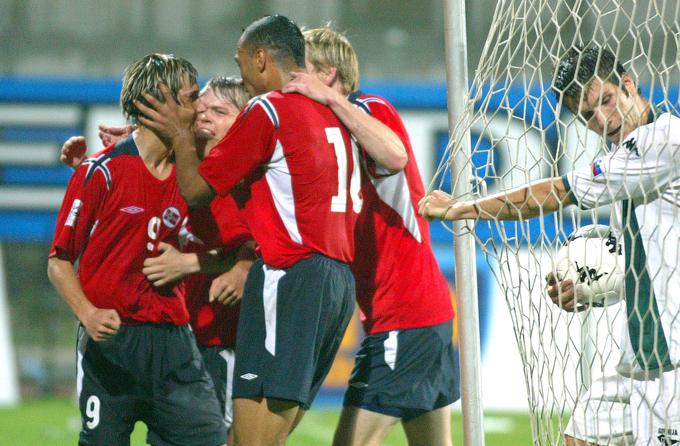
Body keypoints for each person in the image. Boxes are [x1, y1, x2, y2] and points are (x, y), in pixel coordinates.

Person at [420, 45, 680, 446]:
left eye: (606, 102)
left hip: (671, 363)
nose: (601, 120)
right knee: (578, 437)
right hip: (642, 354)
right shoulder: (627, 157)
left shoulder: (664, 139)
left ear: (628, 85)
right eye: (587, 115)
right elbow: (657, 260)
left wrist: (465, 207)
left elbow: (558, 191)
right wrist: (595, 286)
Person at [134, 15, 359, 446]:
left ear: (260, 58)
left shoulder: (268, 108)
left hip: (289, 276)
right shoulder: (333, 112)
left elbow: (197, 189)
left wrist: (180, 134)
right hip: (335, 284)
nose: (241, 78)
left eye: (240, 65)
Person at [281, 27, 459, 446]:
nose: (290, 81)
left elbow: (395, 155)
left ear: (327, 74)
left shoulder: (368, 109)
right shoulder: (327, 137)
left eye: (299, 70)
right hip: (415, 316)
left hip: (405, 316)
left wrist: (332, 99)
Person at [47, 53, 227, 446]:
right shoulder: (102, 172)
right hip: (113, 344)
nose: (199, 108)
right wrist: (88, 313)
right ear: (159, 101)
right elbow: (59, 261)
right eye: (191, 97)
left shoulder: (196, 174)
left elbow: (237, 250)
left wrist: (192, 262)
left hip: (174, 343)